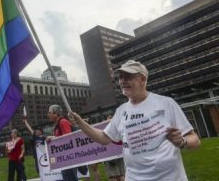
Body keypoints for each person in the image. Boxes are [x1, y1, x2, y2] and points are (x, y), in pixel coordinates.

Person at [70, 60, 201, 180]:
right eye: (120, 77)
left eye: (128, 77)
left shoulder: (166, 103)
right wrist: (81, 123)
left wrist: (182, 142)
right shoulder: (121, 111)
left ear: (143, 79)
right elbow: (104, 138)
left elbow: (194, 139)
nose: (122, 81)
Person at [47, 104, 78, 181]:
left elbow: (68, 139)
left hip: (69, 159)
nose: (48, 115)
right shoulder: (57, 124)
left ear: (56, 114)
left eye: (49, 113)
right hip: (64, 158)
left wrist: (54, 138)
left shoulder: (63, 122)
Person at [103, 115, 125, 181]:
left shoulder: (105, 129)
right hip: (112, 155)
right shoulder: (119, 127)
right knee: (119, 175)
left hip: (117, 154)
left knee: (119, 175)